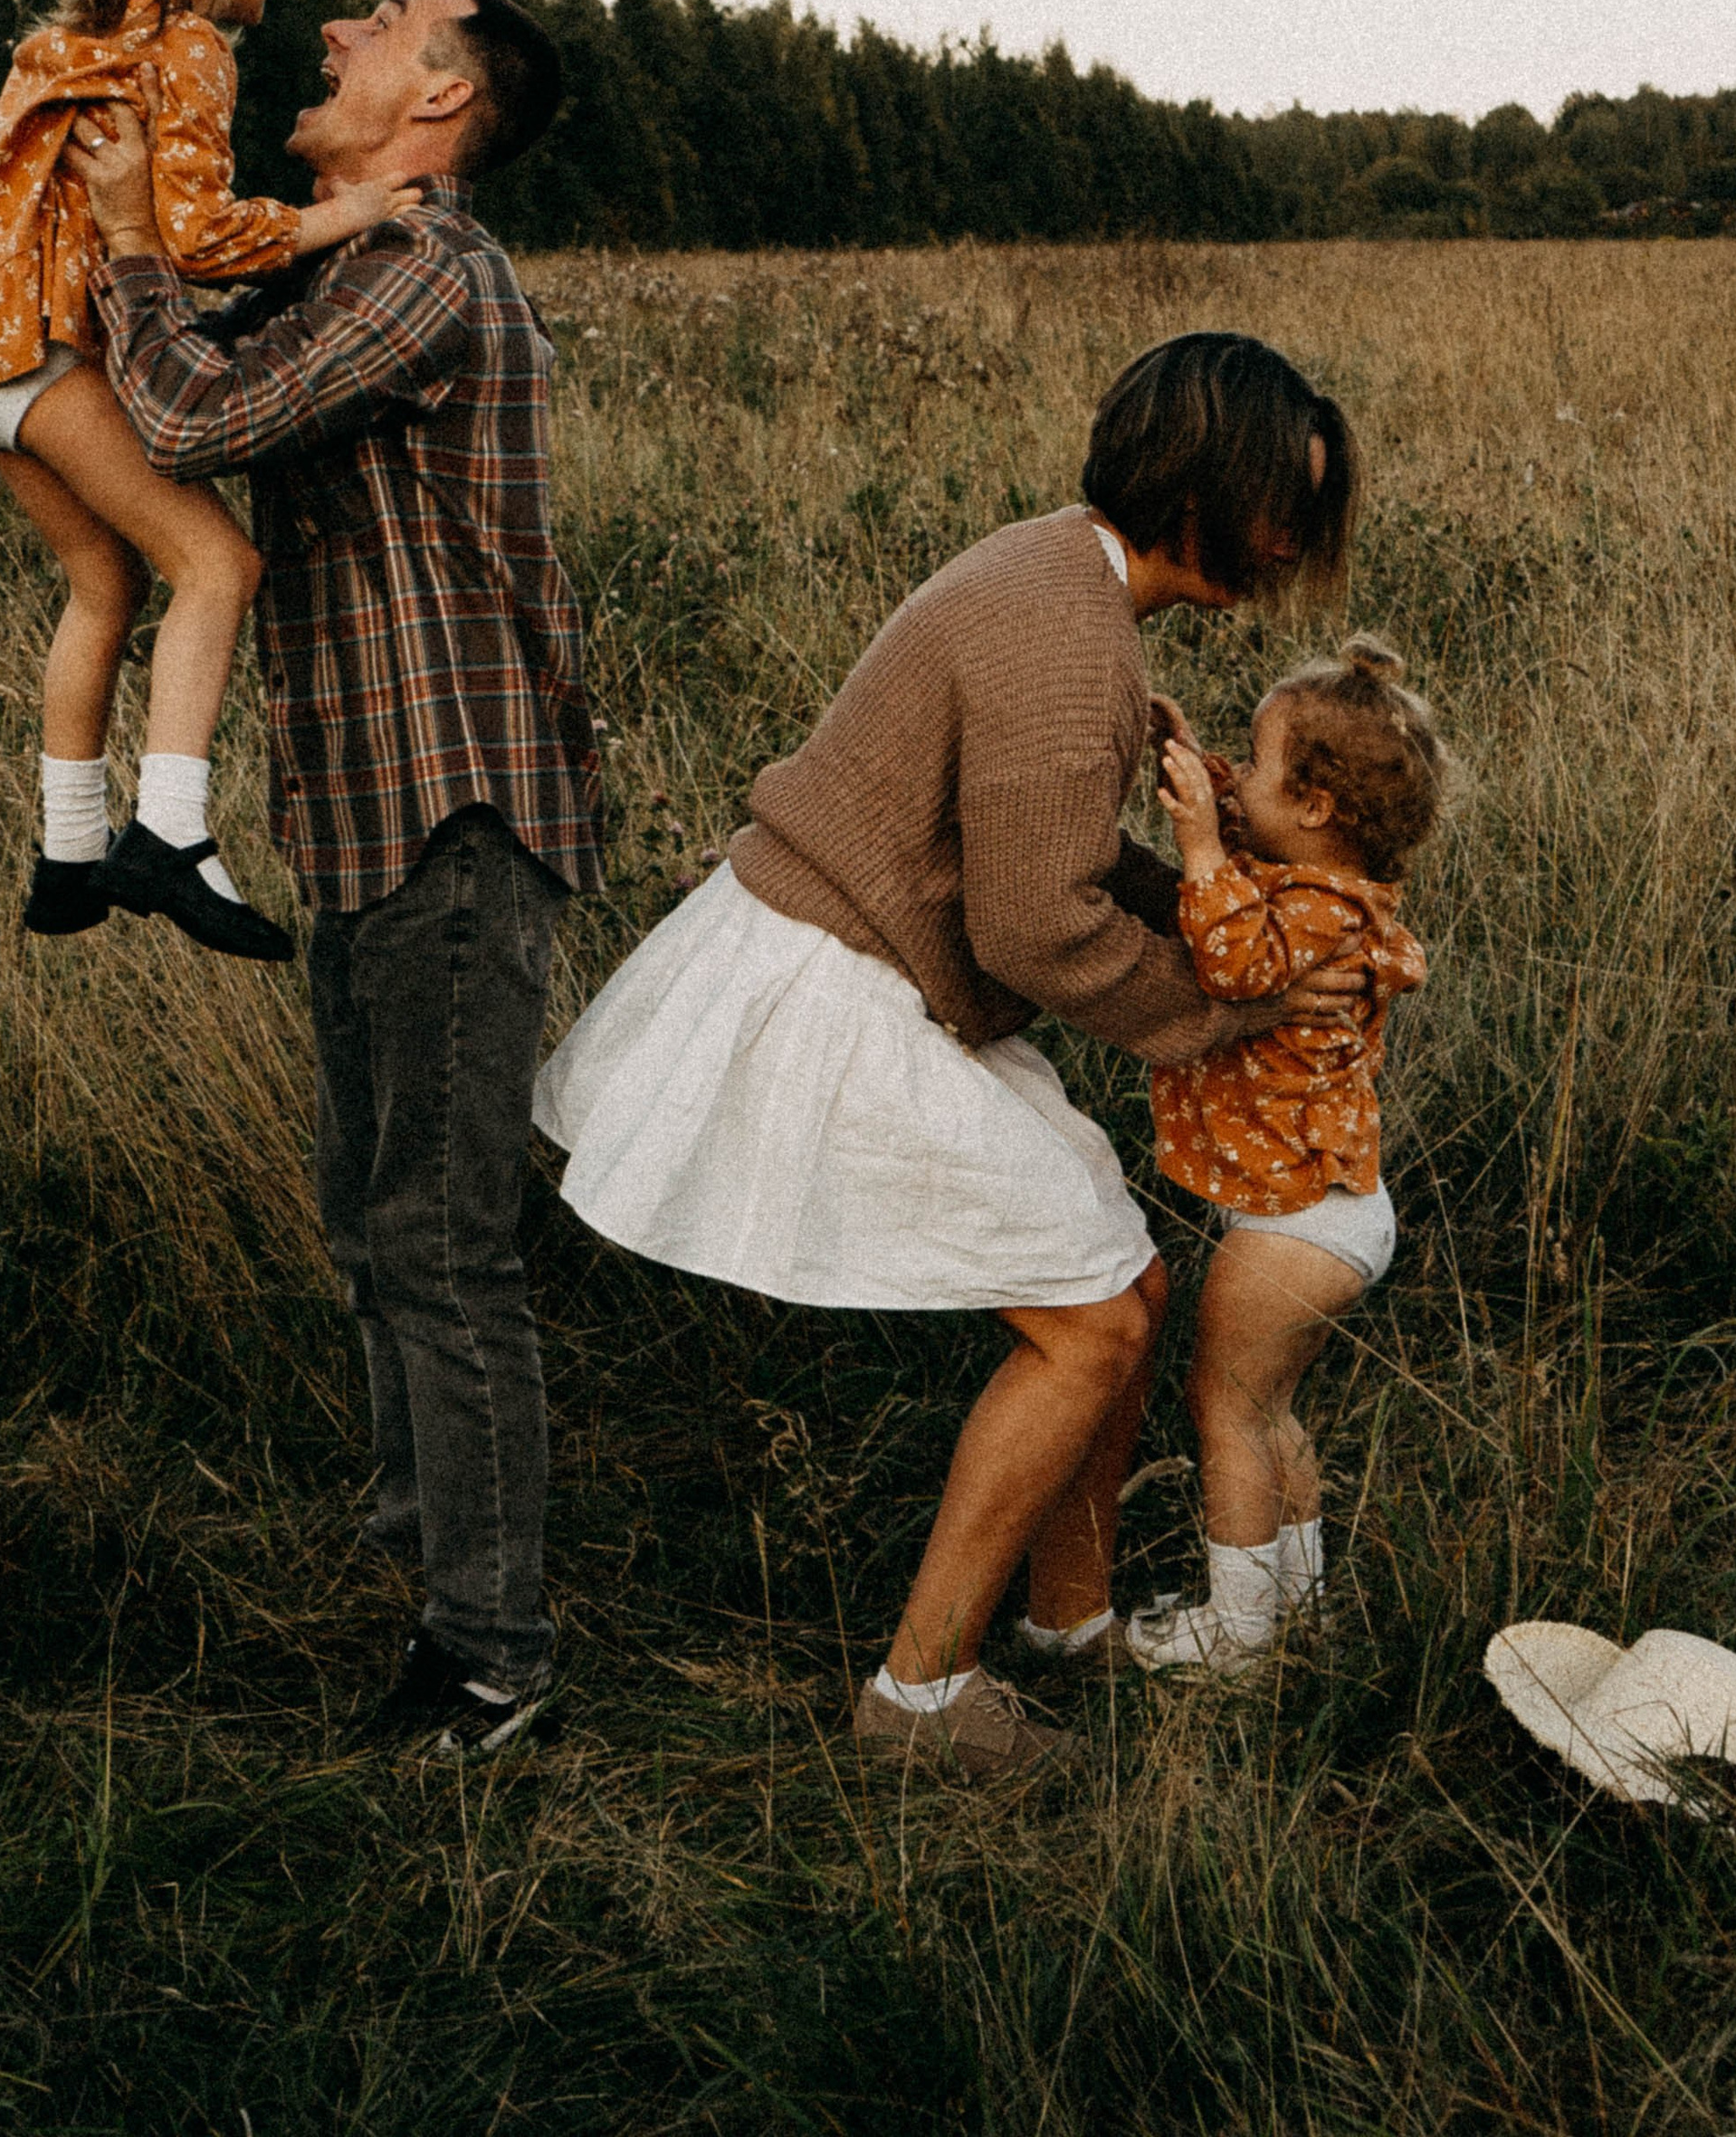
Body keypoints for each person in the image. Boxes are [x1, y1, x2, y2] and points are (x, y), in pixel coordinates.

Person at [536, 329, 1366, 1781]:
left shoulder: (1059, 572)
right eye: (1280, 503)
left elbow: (1031, 846)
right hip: (834, 983)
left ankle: (1068, 1619)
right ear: (1204, 485)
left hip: (862, 954)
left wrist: (1211, 908)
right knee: (1096, 1318)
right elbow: (1040, 928)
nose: (1292, 540)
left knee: (1130, 1278)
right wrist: (1239, 1009)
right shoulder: (1069, 638)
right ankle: (918, 1703)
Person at [62, 0, 603, 1758]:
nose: (333, 30)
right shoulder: (349, 255)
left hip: (451, 825)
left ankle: (489, 1656)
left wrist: (137, 244)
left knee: (440, 1246)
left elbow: (203, 422)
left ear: (439, 99)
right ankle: (423, 1564)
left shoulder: (429, 272)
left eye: (375, 19)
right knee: (378, 1231)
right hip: (377, 828)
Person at [0, 0, 415, 957]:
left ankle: (65, 859)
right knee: (217, 560)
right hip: (43, 359)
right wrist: (329, 220)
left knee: (104, 587)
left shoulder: (82, 33)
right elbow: (192, 235)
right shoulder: (189, 47)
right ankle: (173, 834)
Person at [1128, 638, 1447, 1673]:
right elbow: (1252, 839)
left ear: (1313, 806)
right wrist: (1202, 773)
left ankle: (1238, 1638)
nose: (1238, 782)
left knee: (1222, 1410)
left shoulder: (1310, 910)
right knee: (1273, 1415)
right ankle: (1297, 1612)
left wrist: (1197, 850)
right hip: (1331, 1210)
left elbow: (1228, 960)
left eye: (1254, 767)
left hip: (1296, 1226)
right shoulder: (1326, 881)